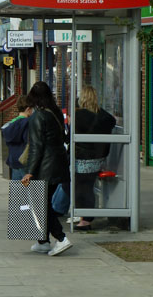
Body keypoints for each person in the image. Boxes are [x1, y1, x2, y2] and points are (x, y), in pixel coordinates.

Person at [21, 81, 72, 257]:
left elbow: (36, 147)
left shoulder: (38, 116)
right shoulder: (56, 112)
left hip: (45, 167)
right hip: (58, 163)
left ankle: (61, 238)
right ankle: (43, 241)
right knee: (43, 203)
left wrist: (29, 171)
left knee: (41, 206)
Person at [72, 85, 116, 231]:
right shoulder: (103, 116)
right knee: (88, 187)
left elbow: (70, 136)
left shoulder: (78, 115)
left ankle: (85, 219)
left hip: (82, 158)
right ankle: (86, 217)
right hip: (98, 158)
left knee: (81, 188)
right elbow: (112, 121)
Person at [2, 95, 33, 180]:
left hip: (13, 160)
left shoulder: (11, 123)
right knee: (31, 190)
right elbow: (29, 142)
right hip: (24, 161)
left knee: (18, 191)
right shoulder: (28, 123)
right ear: (28, 109)